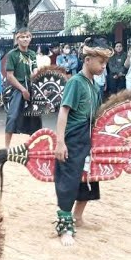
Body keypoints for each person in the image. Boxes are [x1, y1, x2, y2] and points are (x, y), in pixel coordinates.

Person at [54, 37, 114, 246]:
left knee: (89, 177)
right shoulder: (75, 82)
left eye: (105, 63)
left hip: (88, 138)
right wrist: (60, 142)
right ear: (87, 60)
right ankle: (64, 226)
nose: (103, 66)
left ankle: (78, 217)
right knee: (69, 180)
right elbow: (64, 111)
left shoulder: (94, 86)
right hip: (73, 137)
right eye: (101, 62)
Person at [3, 28, 39, 150]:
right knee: (12, 116)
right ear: (17, 39)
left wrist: (36, 75)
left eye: (27, 36)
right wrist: (23, 90)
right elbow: (9, 76)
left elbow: (35, 71)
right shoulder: (12, 54)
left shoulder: (32, 54)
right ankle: (6, 147)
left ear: (31, 38)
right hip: (17, 88)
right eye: (22, 37)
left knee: (34, 116)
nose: (25, 39)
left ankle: (33, 146)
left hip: (31, 87)